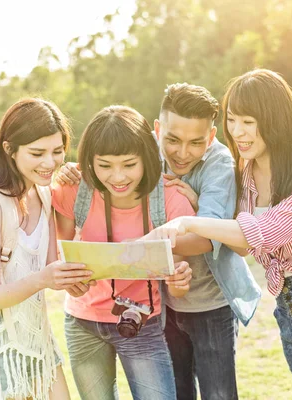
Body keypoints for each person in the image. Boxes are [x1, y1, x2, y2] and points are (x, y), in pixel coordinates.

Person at [149, 69, 292, 400]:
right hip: (290, 310)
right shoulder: (248, 173)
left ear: (275, 120)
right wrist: (197, 209)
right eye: (233, 120)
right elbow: (241, 247)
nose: (237, 132)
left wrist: (188, 223)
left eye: (248, 121)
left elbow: (263, 234)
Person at [57, 84, 261, 400]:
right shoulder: (143, 150)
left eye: (196, 142)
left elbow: (209, 239)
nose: (182, 152)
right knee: (179, 390)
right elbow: (111, 153)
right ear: (157, 130)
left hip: (208, 298)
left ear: (210, 136)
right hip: (163, 302)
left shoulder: (218, 165)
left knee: (218, 392)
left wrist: (138, 249)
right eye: (172, 140)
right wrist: (74, 169)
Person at [0, 98, 91, 399]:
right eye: (37, 153)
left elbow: (51, 263)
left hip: (36, 343)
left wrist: (72, 280)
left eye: (57, 151)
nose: (50, 163)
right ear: (10, 150)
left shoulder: (45, 193)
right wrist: (45, 279)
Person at [52, 105, 193, 400]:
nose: (117, 177)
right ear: (89, 161)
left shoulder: (170, 200)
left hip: (142, 322)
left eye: (129, 164)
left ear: (147, 158)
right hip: (82, 323)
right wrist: (69, 278)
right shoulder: (73, 190)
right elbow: (55, 254)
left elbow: (178, 286)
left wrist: (179, 282)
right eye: (104, 165)